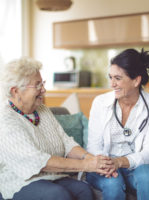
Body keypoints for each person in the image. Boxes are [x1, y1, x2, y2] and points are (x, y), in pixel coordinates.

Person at [0, 57, 114, 200]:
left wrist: (95, 161)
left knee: (83, 190)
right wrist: (87, 165)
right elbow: (38, 161)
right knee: (58, 195)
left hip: (51, 176)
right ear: (15, 91)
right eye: (37, 85)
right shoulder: (5, 120)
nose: (43, 89)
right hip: (20, 181)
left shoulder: (42, 110)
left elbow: (66, 142)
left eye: (42, 83)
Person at [86, 48, 149, 200]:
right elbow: (93, 146)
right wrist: (108, 164)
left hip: (133, 164)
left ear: (136, 80)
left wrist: (120, 162)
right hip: (103, 163)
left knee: (147, 175)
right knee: (113, 183)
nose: (112, 84)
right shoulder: (101, 103)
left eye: (118, 78)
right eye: (110, 77)